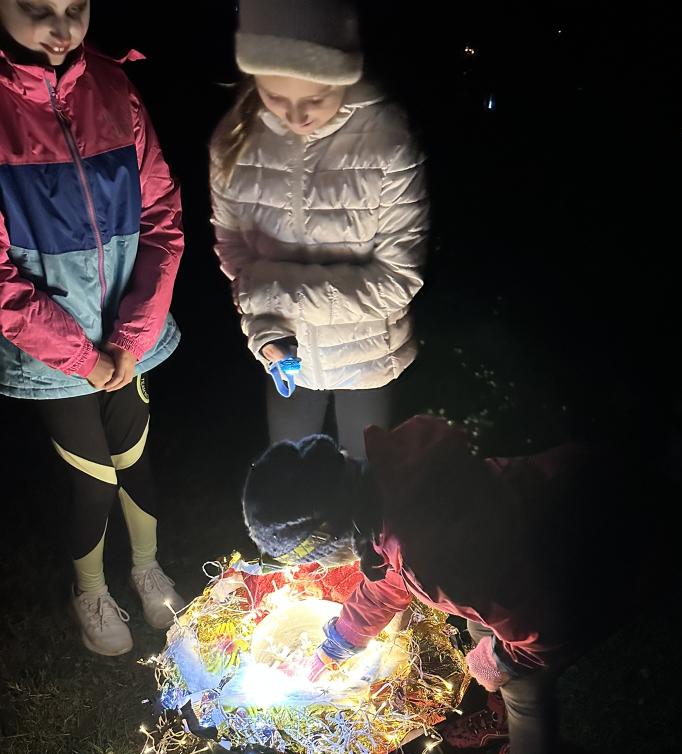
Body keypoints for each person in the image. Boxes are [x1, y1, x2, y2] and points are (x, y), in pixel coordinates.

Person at [242, 415, 682, 754]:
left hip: (610, 544)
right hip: (569, 501)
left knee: (524, 685)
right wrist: (338, 643)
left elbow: (545, 631)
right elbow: (390, 579)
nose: (322, 566)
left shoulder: (435, 557)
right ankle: (502, 716)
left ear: (330, 538)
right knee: (481, 626)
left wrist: (497, 665)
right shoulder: (394, 484)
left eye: (318, 558)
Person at [0, 0, 185, 656]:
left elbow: (162, 213)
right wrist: (81, 357)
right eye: (37, 9)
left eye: (74, 7)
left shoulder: (112, 85)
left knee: (134, 456)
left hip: (127, 333)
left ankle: (146, 568)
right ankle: (91, 590)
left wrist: (132, 336)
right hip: (48, 351)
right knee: (93, 478)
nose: (61, 27)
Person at [210, 0, 428, 458]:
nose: (297, 116)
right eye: (275, 97)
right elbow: (234, 250)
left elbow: (397, 279)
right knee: (290, 475)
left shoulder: (387, 141)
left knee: (368, 475)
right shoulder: (233, 141)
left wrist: (273, 294)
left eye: (315, 98)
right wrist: (266, 334)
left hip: (369, 358)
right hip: (285, 354)